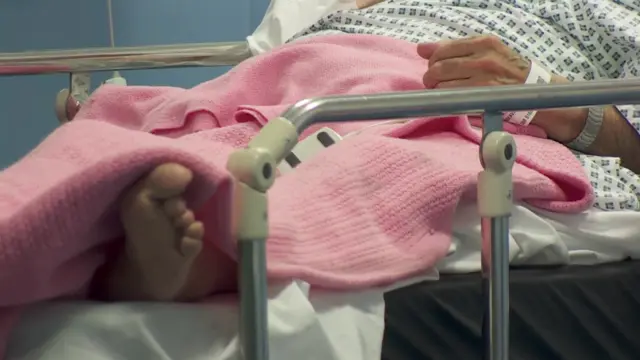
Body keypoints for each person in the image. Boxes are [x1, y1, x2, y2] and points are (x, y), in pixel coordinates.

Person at [102, 0, 640, 301]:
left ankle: (204, 264)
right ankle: (100, 202)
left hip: (451, 99)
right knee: (179, 125)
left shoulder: (610, 12)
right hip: (309, 75)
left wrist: (546, 94)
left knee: (396, 160)